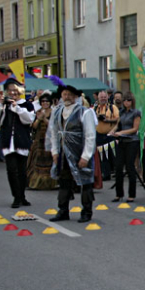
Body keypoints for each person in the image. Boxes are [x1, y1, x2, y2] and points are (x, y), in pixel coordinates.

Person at [47, 85, 97, 223]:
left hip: (79, 151)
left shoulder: (84, 112)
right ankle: (63, 210)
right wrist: (55, 152)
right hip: (64, 153)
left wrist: (86, 156)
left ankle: (86, 212)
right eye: (64, 94)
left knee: (85, 182)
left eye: (70, 94)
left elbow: (90, 135)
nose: (67, 97)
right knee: (64, 182)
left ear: (75, 96)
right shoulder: (57, 112)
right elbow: (54, 133)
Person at [0, 79, 36, 208]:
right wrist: (1, 106)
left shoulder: (26, 105)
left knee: (22, 171)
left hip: (22, 142)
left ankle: (22, 196)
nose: (13, 93)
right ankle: (16, 197)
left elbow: (29, 119)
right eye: (10, 90)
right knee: (11, 170)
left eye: (15, 90)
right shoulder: (4, 105)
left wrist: (17, 108)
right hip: (7, 143)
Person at [112, 92, 141, 203]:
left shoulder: (136, 113)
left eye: (128, 100)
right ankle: (119, 194)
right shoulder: (121, 112)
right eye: (124, 100)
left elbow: (135, 129)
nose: (126, 102)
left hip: (132, 141)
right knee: (118, 167)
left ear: (132, 101)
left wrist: (121, 132)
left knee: (130, 167)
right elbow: (117, 125)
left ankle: (131, 194)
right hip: (122, 141)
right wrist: (113, 130)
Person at [25, 94, 57, 190]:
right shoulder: (38, 112)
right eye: (43, 101)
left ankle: (51, 183)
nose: (45, 103)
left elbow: (54, 126)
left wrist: (44, 119)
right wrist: (39, 119)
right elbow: (34, 126)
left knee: (50, 161)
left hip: (50, 140)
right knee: (36, 161)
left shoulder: (54, 112)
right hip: (39, 140)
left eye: (47, 101)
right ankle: (36, 183)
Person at [94, 90, 119, 181]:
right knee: (103, 156)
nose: (103, 99)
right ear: (98, 98)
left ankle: (118, 172)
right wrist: (97, 117)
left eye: (104, 97)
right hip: (99, 135)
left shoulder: (113, 107)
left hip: (110, 134)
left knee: (114, 154)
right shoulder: (95, 108)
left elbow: (117, 119)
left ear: (107, 97)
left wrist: (107, 120)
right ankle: (106, 174)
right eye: (101, 97)